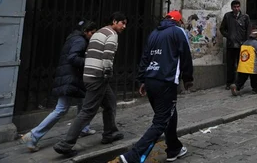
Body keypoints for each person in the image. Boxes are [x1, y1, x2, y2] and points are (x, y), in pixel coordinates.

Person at [118, 11, 193, 163]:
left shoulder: (154, 33)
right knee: (161, 121)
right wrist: (188, 78)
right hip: (166, 80)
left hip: (151, 79)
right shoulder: (178, 31)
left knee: (168, 115)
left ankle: (174, 149)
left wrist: (142, 80)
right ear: (178, 21)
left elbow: (146, 57)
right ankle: (134, 155)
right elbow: (185, 54)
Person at [54, 12, 128, 157]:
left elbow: (88, 53)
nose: (124, 26)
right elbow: (108, 56)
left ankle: (110, 133)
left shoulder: (99, 32)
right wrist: (107, 73)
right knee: (87, 111)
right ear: (114, 21)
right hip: (98, 77)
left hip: (89, 75)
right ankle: (66, 144)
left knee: (110, 102)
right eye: (122, 23)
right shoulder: (112, 35)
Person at [21, 20, 98, 152]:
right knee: (61, 109)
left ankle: (84, 128)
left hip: (69, 77)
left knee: (83, 102)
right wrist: (89, 61)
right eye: (91, 33)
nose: (92, 35)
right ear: (85, 31)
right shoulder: (80, 41)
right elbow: (72, 58)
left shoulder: (72, 38)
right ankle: (33, 136)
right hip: (70, 79)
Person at [219, 0, 250, 90]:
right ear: (232, 7)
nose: (236, 8)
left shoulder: (245, 17)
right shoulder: (228, 16)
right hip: (231, 44)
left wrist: (246, 41)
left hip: (242, 44)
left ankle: (239, 83)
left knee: (241, 65)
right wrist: (228, 36)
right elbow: (222, 28)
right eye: (235, 7)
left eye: (238, 7)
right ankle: (229, 82)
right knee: (230, 65)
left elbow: (248, 29)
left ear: (239, 7)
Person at [230, 29, 257, 96]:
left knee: (241, 78)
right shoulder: (256, 44)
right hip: (252, 65)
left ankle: (236, 87)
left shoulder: (245, 42)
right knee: (255, 78)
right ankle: (256, 89)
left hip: (243, 65)